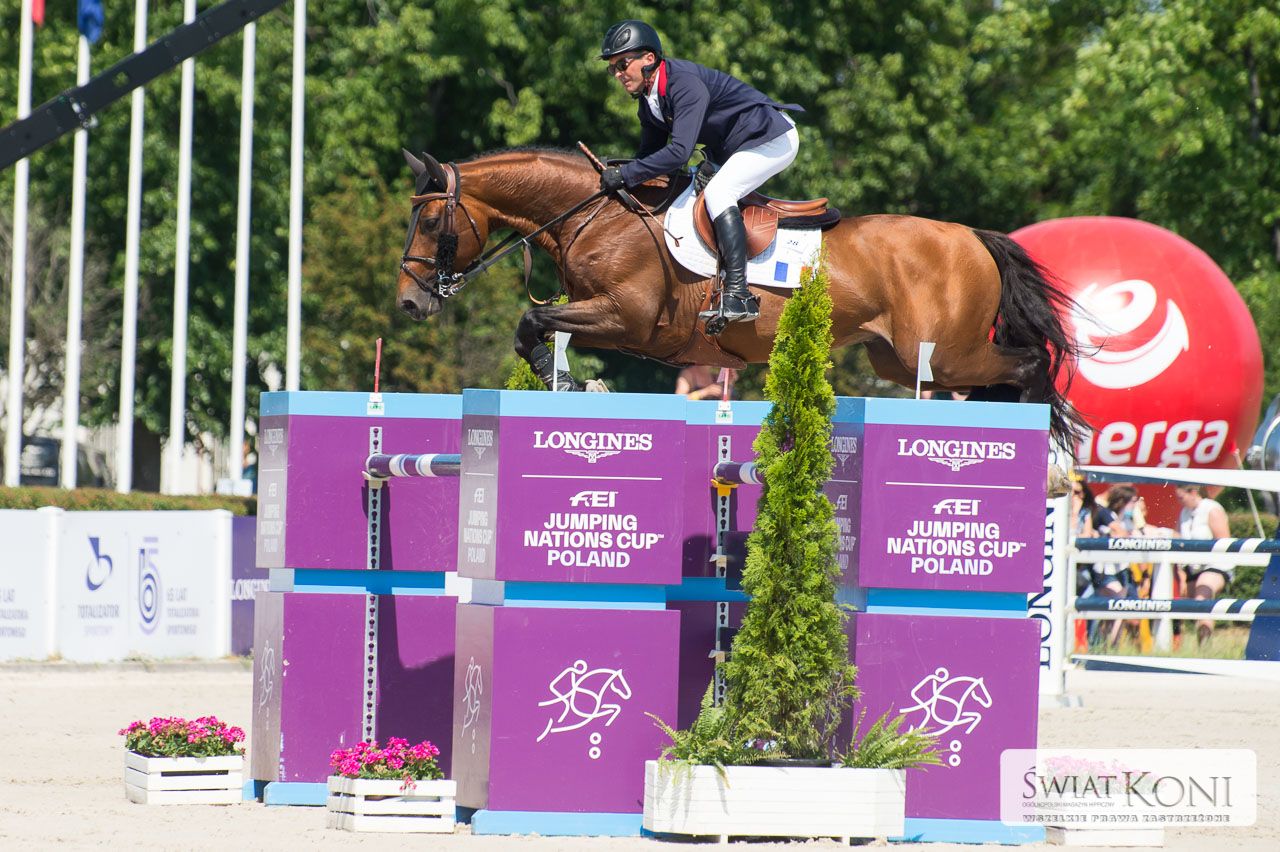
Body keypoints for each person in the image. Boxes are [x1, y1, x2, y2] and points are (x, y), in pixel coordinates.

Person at [598, 20, 803, 325]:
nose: (617, 73)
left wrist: (627, 174)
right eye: (612, 68)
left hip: (771, 137)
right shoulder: (649, 101)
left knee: (720, 192)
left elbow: (679, 152)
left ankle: (739, 294)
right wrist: (619, 176)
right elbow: (648, 157)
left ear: (649, 59)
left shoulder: (683, 84)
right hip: (734, 146)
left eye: (622, 64)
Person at [1176, 485, 1231, 643]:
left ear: (1193, 493)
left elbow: (1224, 542)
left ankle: (1205, 646)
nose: (1179, 501)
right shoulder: (1185, 512)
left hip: (1215, 564)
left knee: (1201, 598)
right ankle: (1192, 644)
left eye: (1181, 497)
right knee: (1189, 608)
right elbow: (1177, 538)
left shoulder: (1212, 509)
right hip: (1192, 567)